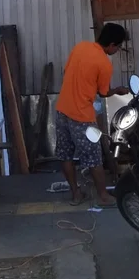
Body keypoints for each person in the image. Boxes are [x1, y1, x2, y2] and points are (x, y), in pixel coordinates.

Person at [55, 23, 130, 207]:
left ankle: (76, 194)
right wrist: (117, 90)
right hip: (82, 116)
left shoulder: (80, 47)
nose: (117, 50)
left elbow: (67, 72)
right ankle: (103, 196)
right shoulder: (104, 64)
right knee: (94, 158)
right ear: (111, 45)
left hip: (62, 108)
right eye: (118, 47)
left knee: (65, 155)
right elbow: (103, 93)